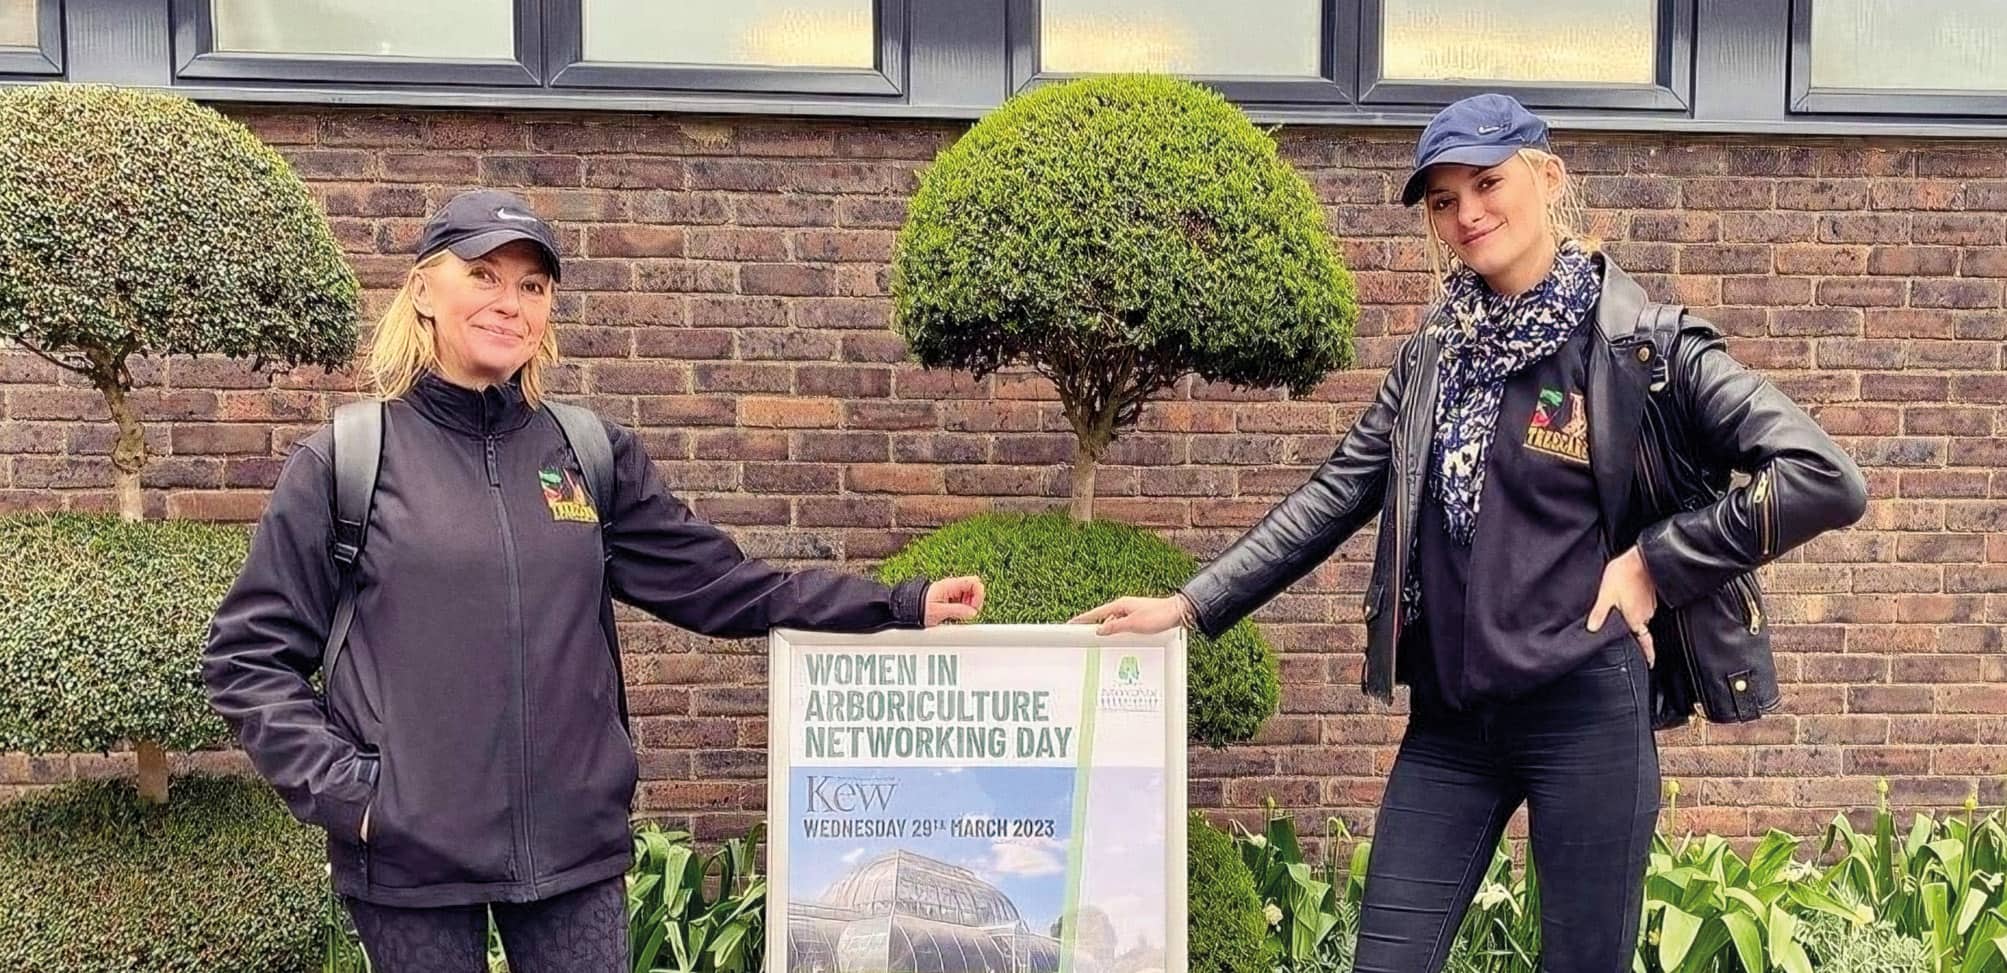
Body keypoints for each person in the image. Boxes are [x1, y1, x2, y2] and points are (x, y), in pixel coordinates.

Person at [1072, 93, 1866, 972]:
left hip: (1586, 712)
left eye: (1486, 184)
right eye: (1443, 200)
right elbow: (1335, 492)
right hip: (1451, 724)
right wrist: (1188, 604)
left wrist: (1654, 560)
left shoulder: (1640, 347)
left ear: (1546, 178)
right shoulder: (1432, 357)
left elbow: (1823, 478)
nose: (1466, 214)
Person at [202, 189, 985, 973]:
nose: (510, 303)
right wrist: (358, 799)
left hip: (572, 853)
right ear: (422, 291)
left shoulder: (586, 453)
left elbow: (726, 586)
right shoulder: (346, 463)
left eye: (533, 286)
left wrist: (896, 603)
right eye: (483, 275)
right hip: (410, 863)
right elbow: (246, 658)